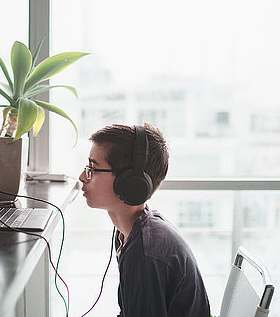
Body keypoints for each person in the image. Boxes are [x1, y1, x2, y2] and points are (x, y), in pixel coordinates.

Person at [79, 123, 211, 317]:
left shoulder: (143, 253)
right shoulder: (131, 232)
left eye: (93, 168)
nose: (82, 177)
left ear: (131, 183)